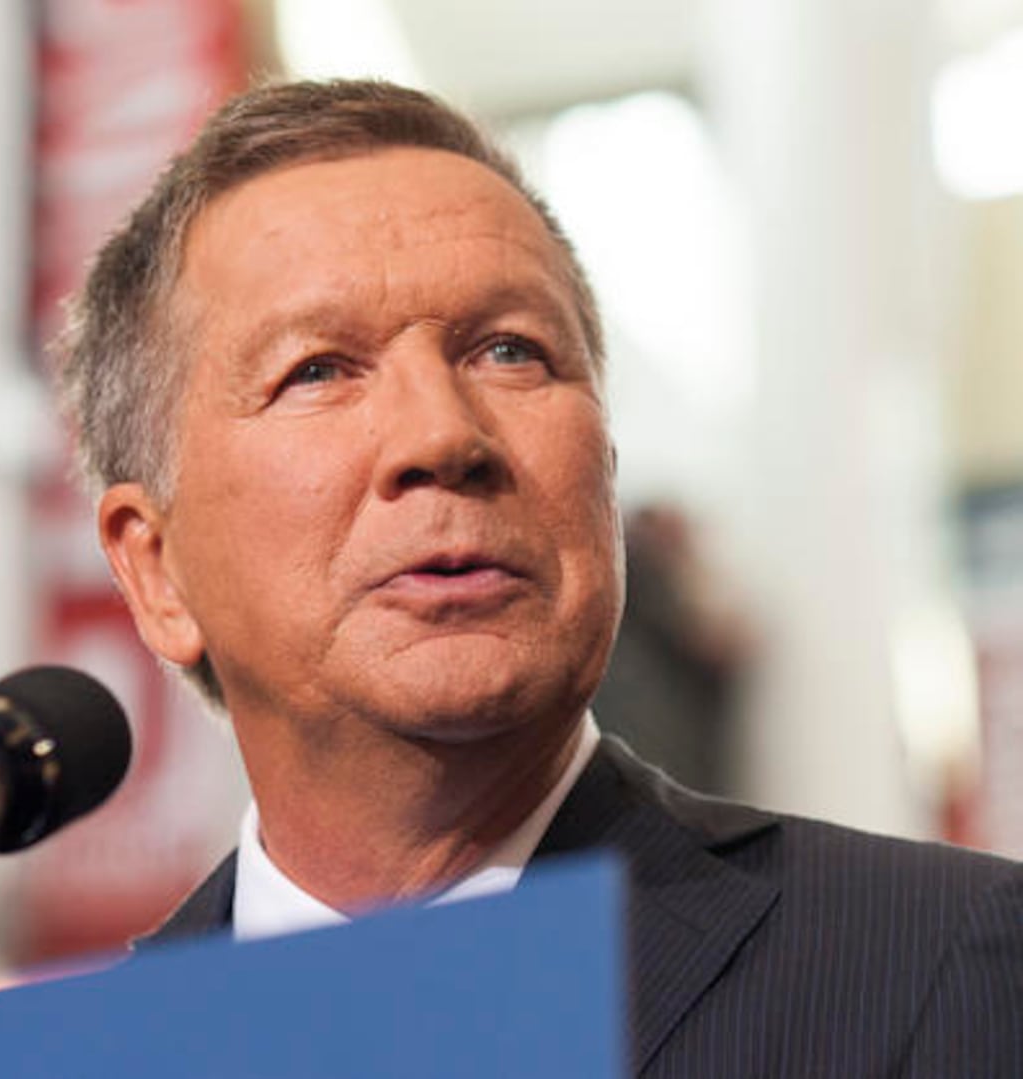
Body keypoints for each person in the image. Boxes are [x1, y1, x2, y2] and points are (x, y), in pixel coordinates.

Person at [56, 79, 1023, 1075]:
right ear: (157, 569)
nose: (443, 433)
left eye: (509, 351)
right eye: (319, 369)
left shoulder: (942, 963)